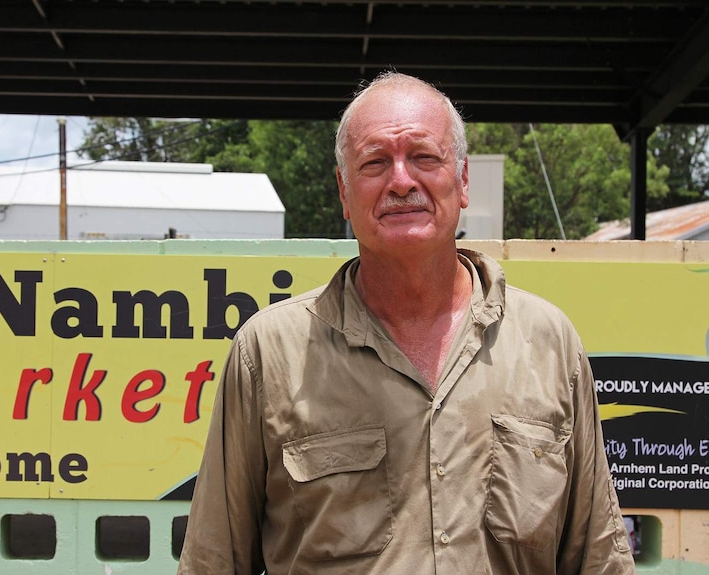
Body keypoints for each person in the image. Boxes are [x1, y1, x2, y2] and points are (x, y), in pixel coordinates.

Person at [177, 71, 635, 574]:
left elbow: (596, 558)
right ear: (344, 193)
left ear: (462, 180)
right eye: (375, 163)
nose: (401, 181)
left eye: (424, 157)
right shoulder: (269, 353)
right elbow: (215, 561)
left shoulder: (547, 343)